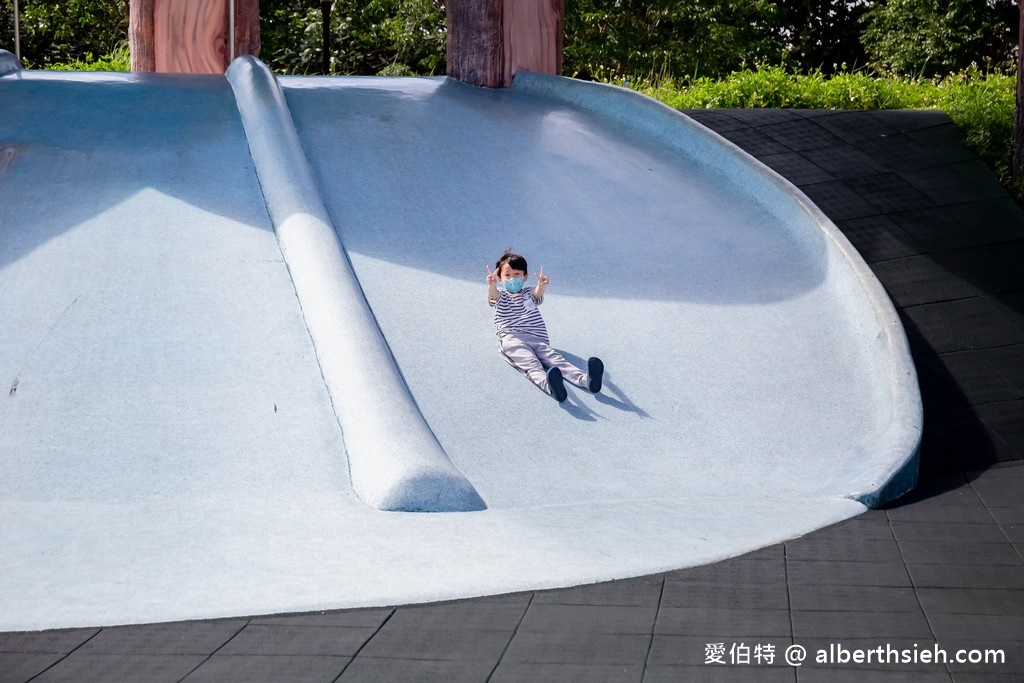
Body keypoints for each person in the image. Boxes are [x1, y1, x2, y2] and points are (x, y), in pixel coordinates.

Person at [486, 249, 603, 403]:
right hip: (512, 339)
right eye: (507, 275)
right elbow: (493, 295)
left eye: (517, 274)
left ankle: (586, 381)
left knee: (557, 361)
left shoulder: (528, 293)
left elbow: (537, 293)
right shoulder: (501, 295)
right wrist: (491, 284)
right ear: (500, 279)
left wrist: (542, 285)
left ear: (525, 277)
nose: (512, 278)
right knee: (531, 364)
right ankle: (550, 386)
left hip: (537, 339)